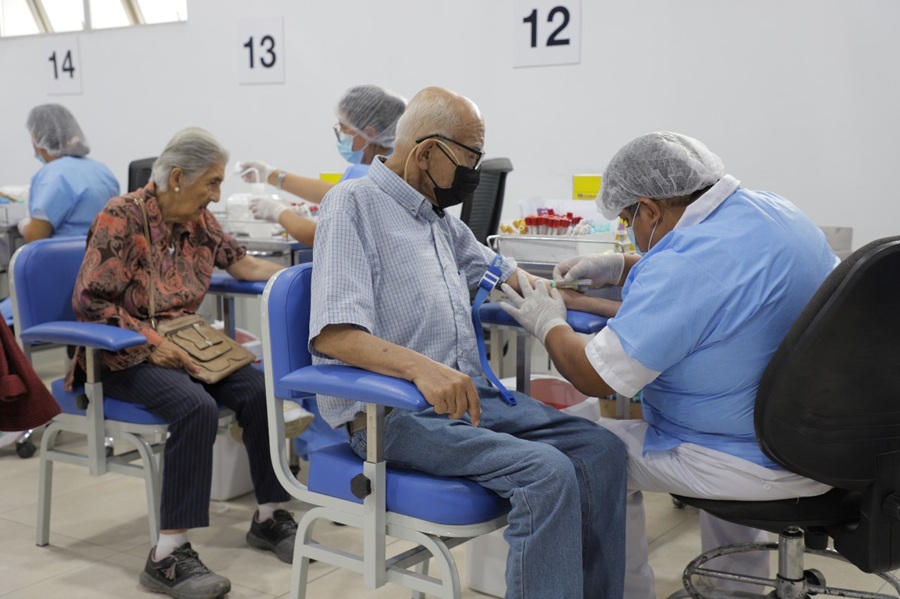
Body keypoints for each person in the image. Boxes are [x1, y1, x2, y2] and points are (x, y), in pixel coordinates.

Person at [309, 86, 628, 599]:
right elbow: (334, 335)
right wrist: (421, 369)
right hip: (392, 418)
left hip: (465, 402)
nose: (473, 174)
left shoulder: (438, 221)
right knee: (546, 475)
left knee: (602, 451)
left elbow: (513, 281)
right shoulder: (352, 205)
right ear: (425, 152)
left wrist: (610, 304)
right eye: (468, 158)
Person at [499, 131, 838, 598]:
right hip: (821, 444)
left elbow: (593, 376)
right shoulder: (774, 212)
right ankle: (733, 589)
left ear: (651, 209)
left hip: (742, 458)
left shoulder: (687, 265)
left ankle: (627, 592)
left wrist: (548, 321)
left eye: (626, 221)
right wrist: (624, 270)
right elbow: (718, 306)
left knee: (589, 451)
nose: (628, 231)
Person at [66, 127, 296, 599]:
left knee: (257, 390)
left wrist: (303, 278)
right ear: (176, 178)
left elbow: (243, 264)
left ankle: (269, 515)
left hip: (184, 344)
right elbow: (90, 302)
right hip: (119, 353)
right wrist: (150, 342)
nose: (216, 195)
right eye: (211, 183)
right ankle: (167, 554)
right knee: (196, 408)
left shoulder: (199, 221)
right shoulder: (121, 217)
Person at [235, 83, 406, 246]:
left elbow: (320, 235)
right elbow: (332, 192)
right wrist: (271, 175)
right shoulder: (396, 167)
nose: (340, 135)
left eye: (344, 128)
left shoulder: (366, 175)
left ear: (369, 132)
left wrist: (278, 212)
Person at [0, 104, 119, 324]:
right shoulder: (102, 171)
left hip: (60, 281)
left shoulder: (51, 175)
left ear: (39, 138)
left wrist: (24, 223)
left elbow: (35, 237)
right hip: (101, 280)